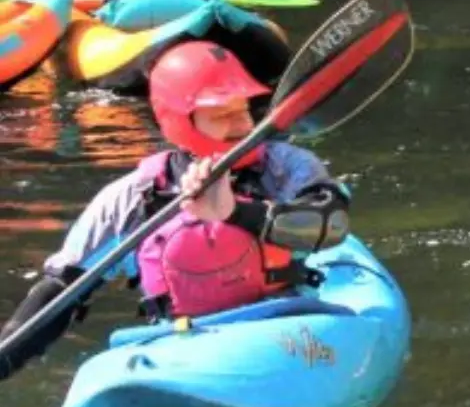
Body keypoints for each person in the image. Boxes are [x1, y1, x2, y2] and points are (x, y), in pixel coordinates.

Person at [0, 41, 351, 377]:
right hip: (184, 341)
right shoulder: (133, 197)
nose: (243, 126)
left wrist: (235, 214)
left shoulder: (284, 165)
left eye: (243, 110)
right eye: (222, 115)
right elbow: (62, 288)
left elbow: (332, 226)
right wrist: (7, 354)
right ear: (181, 122)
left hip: (284, 325)